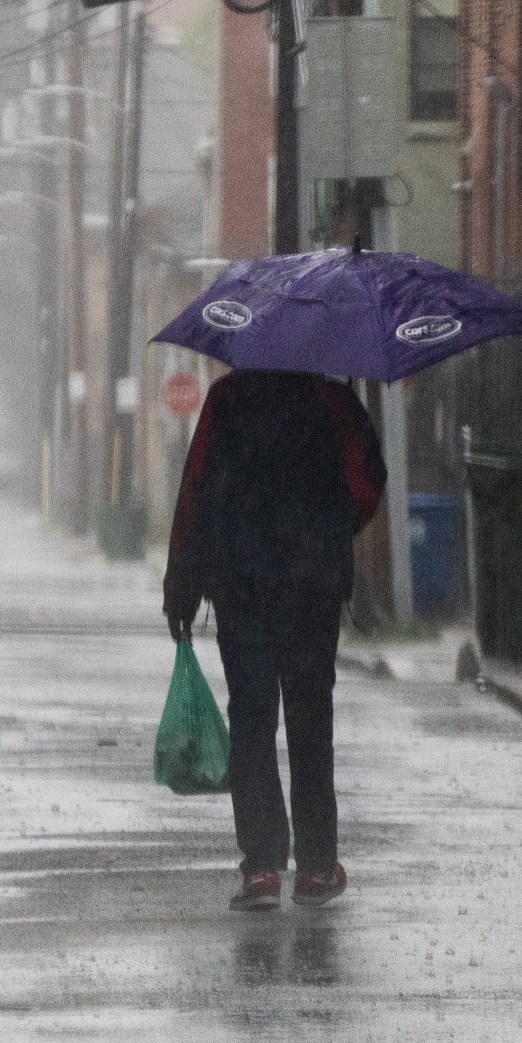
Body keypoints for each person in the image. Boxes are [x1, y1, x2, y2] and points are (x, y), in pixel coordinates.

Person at [162, 368, 386, 911]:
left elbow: (195, 492)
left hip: (241, 585)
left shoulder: (227, 399)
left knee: (253, 719)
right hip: (311, 585)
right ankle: (314, 867)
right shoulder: (333, 400)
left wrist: (181, 585)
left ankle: (261, 868)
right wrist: (331, 530)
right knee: (311, 717)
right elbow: (367, 481)